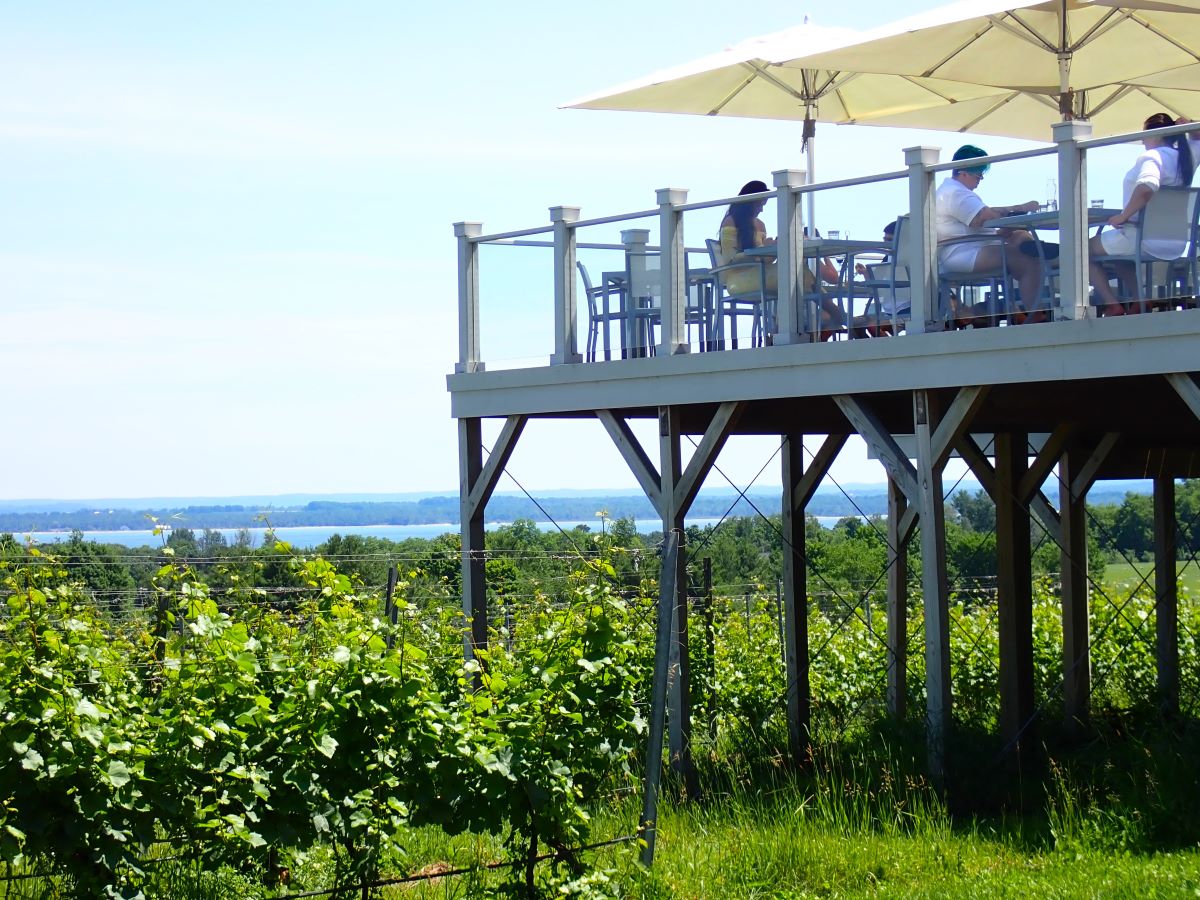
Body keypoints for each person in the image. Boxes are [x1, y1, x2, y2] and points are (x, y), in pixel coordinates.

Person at [1092, 112, 1196, 316]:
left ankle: (1111, 303)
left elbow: (1147, 187)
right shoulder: (1188, 157)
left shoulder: (1153, 156)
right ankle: (1141, 300)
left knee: (1079, 251)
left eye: (1145, 135)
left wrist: (1123, 216)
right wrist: (1191, 126)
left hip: (1139, 239)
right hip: (1176, 243)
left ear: (1156, 134)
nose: (1142, 140)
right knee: (1120, 259)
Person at [718, 181, 843, 338]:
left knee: (796, 271)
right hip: (739, 278)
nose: (761, 209)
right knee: (790, 273)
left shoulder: (760, 225)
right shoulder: (731, 221)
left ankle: (781, 330)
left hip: (761, 273)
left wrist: (773, 248)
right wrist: (762, 250)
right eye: (759, 205)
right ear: (749, 203)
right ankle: (837, 315)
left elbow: (765, 260)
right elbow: (731, 260)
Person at [936, 145, 1044, 323]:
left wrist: (1017, 210)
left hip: (971, 246)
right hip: (963, 252)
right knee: (1026, 260)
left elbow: (987, 212)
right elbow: (985, 216)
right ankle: (1036, 315)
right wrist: (1015, 213)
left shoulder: (952, 191)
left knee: (1020, 237)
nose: (981, 179)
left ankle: (1035, 252)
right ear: (964, 173)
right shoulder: (956, 193)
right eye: (978, 175)